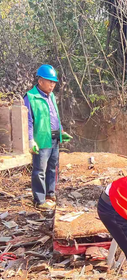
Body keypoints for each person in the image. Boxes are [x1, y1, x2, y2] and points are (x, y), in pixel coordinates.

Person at [24, 65, 72, 210]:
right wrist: (30, 140)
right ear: (40, 81)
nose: (52, 85)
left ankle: (50, 194)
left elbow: (54, 115)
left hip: (54, 138)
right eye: (49, 81)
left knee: (53, 167)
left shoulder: (51, 96)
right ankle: (39, 200)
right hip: (42, 140)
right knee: (39, 170)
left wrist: (61, 129)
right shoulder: (31, 97)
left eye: (54, 82)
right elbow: (28, 121)